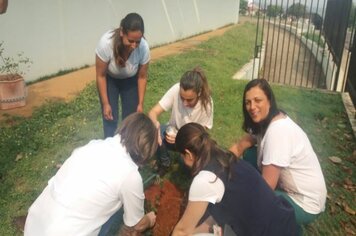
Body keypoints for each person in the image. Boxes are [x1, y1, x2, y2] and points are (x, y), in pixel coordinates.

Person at [24, 113, 158, 236]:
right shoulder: (130, 175)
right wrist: (149, 219)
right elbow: (136, 225)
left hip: (35, 223)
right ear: (146, 150)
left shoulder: (94, 145)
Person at [229, 78, 327, 231]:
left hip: (304, 202)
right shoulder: (265, 120)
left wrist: (236, 194)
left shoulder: (277, 131)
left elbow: (266, 189)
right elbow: (241, 145)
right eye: (248, 102)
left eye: (257, 100)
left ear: (269, 100)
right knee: (249, 154)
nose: (252, 107)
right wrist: (220, 164)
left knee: (250, 207)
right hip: (288, 186)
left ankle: (292, 229)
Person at [172, 123, 297, 236]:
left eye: (181, 156)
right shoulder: (229, 160)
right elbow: (219, 212)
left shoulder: (205, 180)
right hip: (284, 225)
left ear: (188, 154)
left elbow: (182, 231)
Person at [96, 12, 150, 138]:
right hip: (110, 80)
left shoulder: (143, 47)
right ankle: (110, 148)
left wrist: (140, 103)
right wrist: (105, 103)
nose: (134, 45)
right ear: (122, 32)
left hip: (130, 81)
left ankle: (128, 149)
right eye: (130, 40)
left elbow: (142, 77)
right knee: (110, 116)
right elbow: (101, 75)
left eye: (138, 41)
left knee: (131, 119)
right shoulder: (106, 43)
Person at [148, 67, 213, 171]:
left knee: (186, 168)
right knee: (155, 132)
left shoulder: (207, 103)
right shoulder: (176, 89)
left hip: (191, 140)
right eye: (182, 98)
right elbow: (153, 112)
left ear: (199, 93)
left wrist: (181, 137)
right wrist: (155, 124)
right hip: (173, 130)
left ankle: (184, 160)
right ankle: (165, 163)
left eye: (189, 100)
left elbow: (202, 135)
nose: (184, 103)